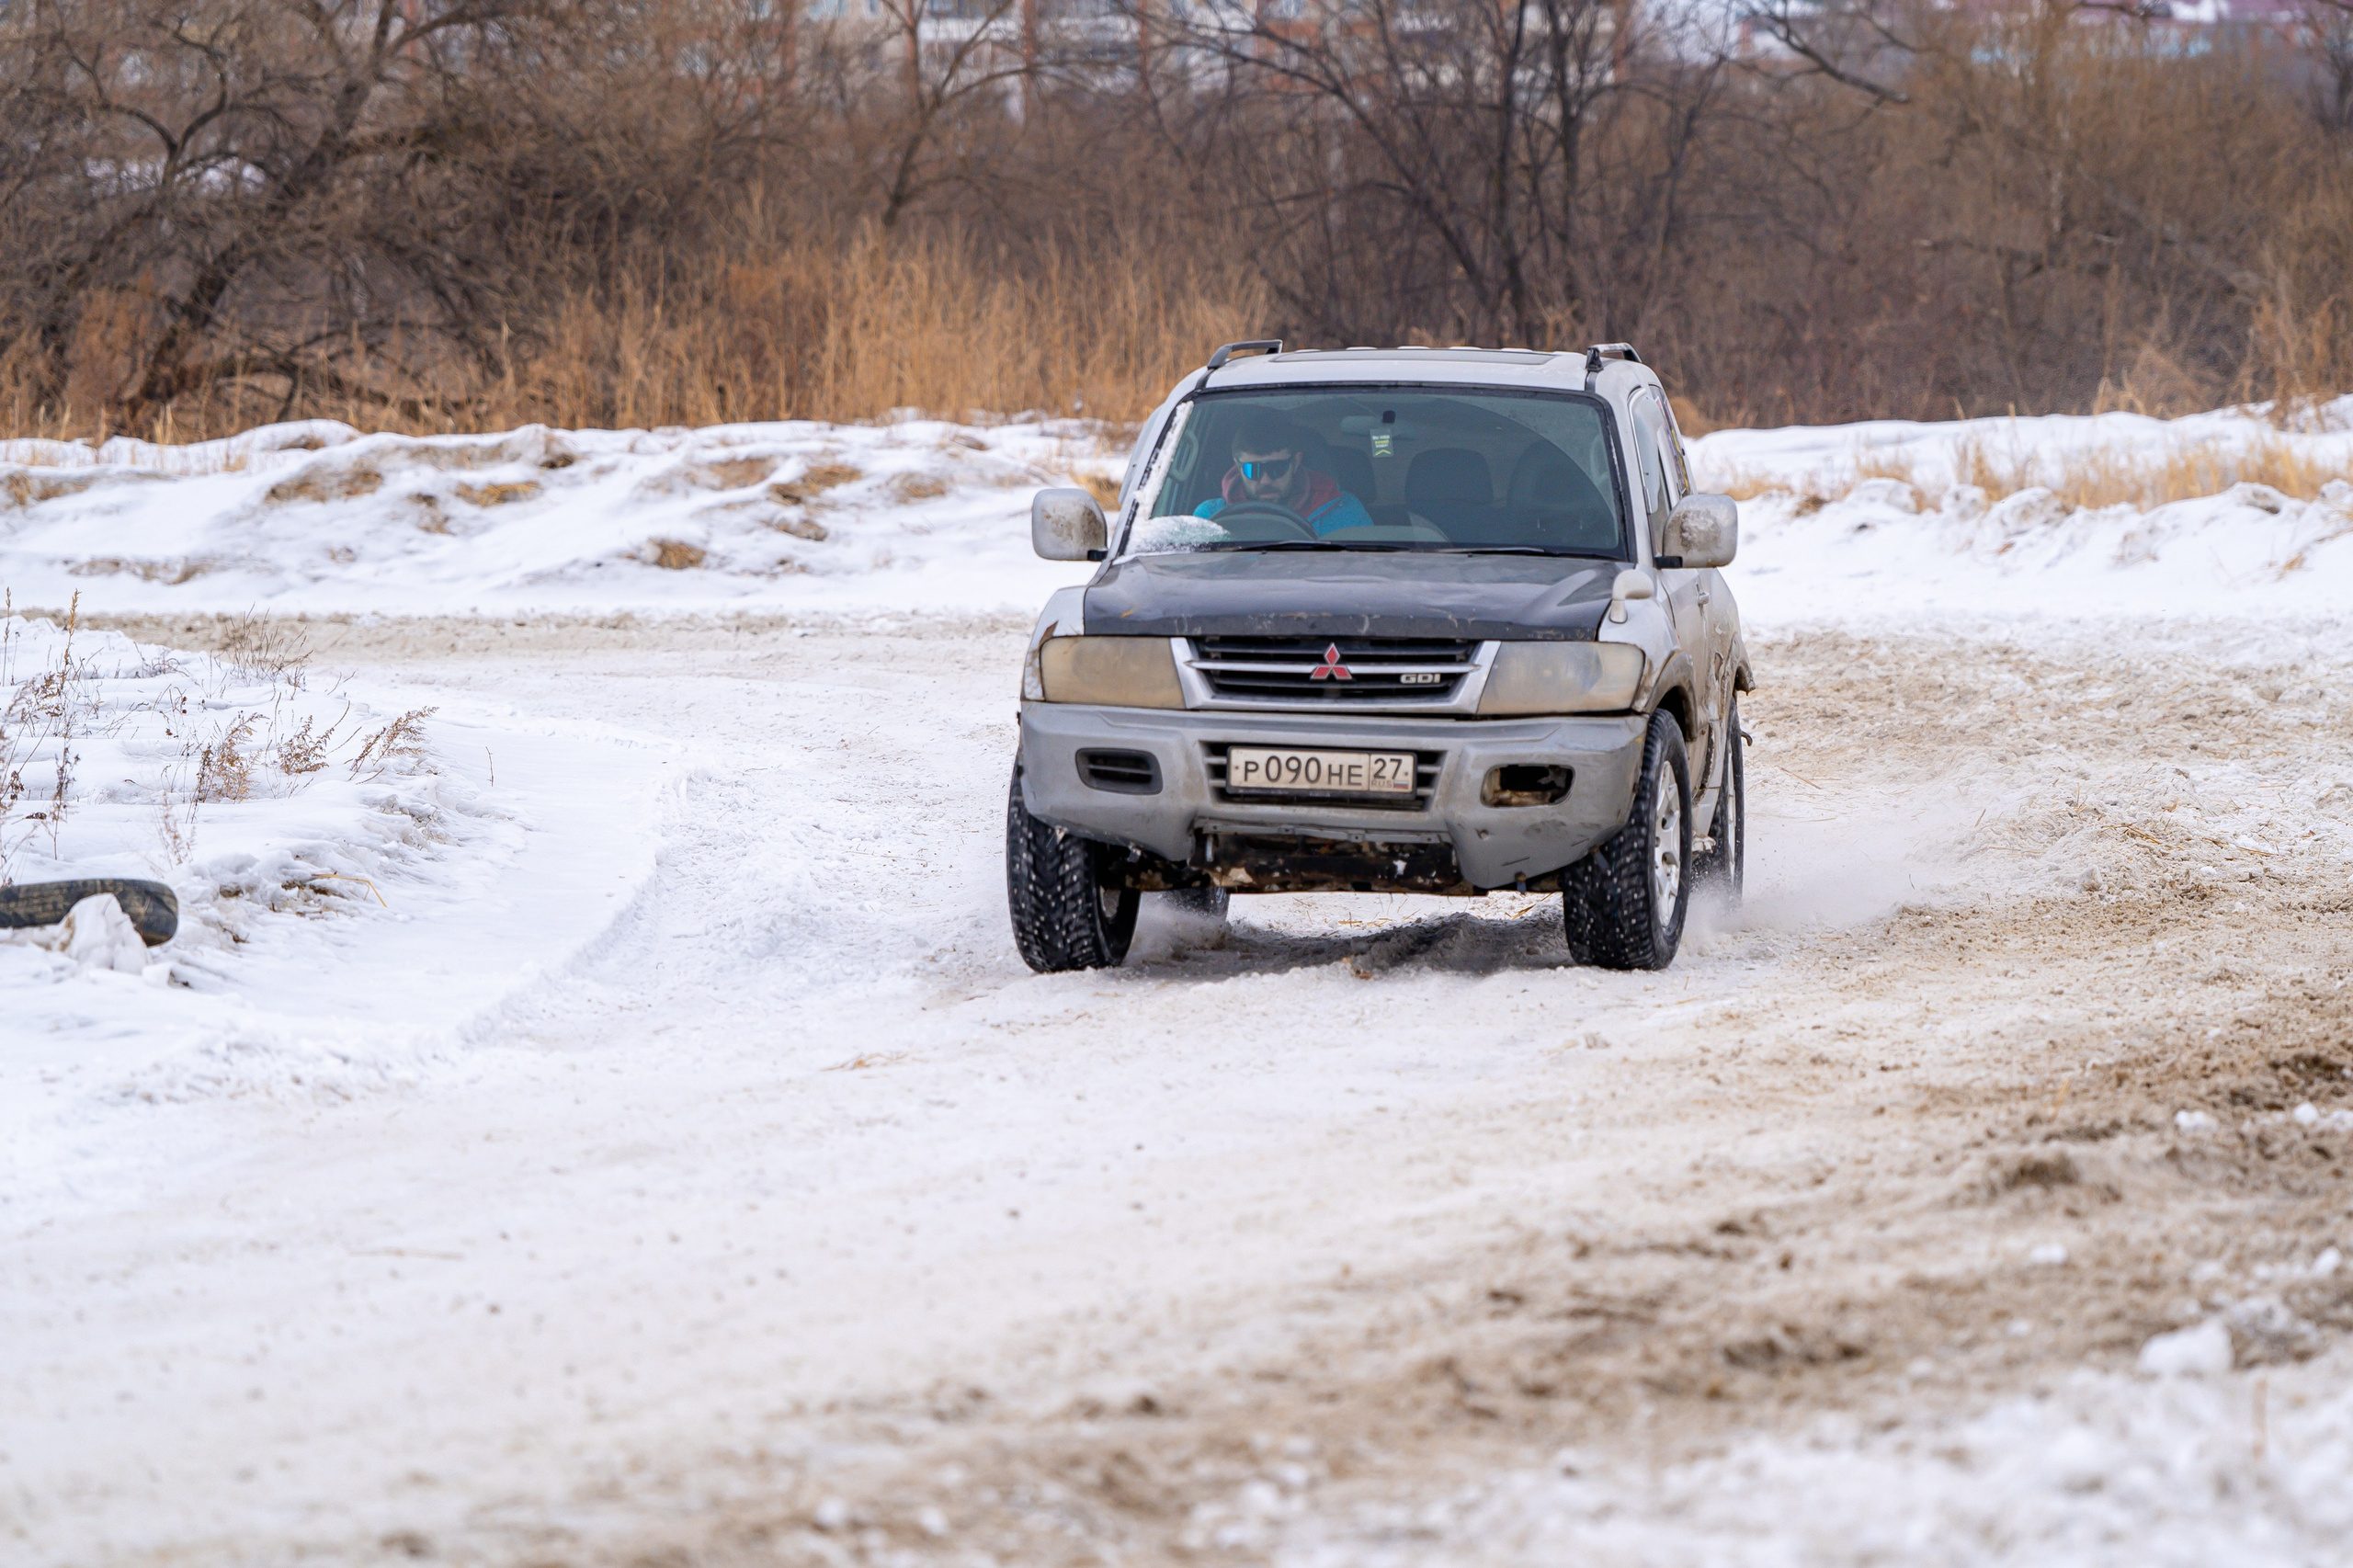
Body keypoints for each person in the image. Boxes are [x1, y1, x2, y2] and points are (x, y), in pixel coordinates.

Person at [1193, 414, 1373, 535]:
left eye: (1276, 469)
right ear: (1238, 467)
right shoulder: (1210, 518)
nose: (1265, 480)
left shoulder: (1344, 513)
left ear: (1295, 463)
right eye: (1253, 470)